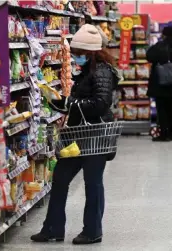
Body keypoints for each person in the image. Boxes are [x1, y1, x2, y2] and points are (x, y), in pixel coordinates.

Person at [30, 24, 120, 245]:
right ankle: (53, 228)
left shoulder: (102, 72)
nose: (76, 58)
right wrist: (55, 100)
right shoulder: (87, 71)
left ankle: (92, 231)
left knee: (93, 183)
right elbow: (78, 102)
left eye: (79, 54)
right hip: (78, 135)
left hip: (96, 135)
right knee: (60, 178)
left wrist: (72, 103)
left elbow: (100, 104)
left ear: (91, 53)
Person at [146, 26, 172, 142]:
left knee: (161, 109)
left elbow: (149, 56)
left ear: (164, 34)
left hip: (160, 83)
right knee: (171, 108)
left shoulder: (159, 46)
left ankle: (164, 134)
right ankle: (171, 133)